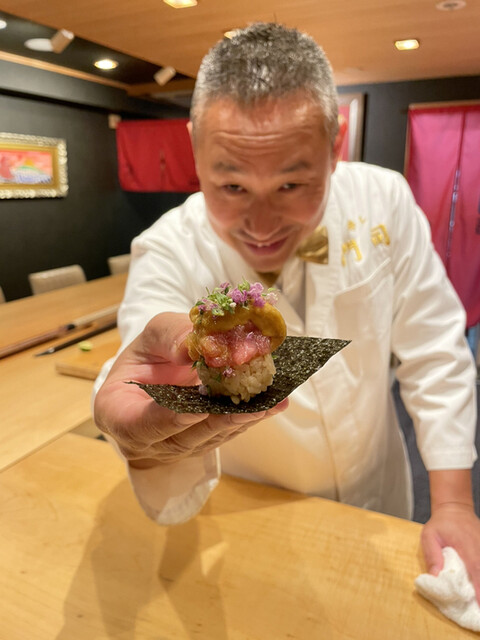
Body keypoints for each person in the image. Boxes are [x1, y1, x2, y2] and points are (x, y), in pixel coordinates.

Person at [93, 23, 480, 599]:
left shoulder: (385, 199)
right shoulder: (168, 247)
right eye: (232, 187)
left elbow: (435, 349)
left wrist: (452, 504)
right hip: (256, 512)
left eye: (293, 184)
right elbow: (140, 366)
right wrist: (146, 444)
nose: (262, 225)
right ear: (195, 149)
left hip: (382, 491)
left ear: (336, 144)